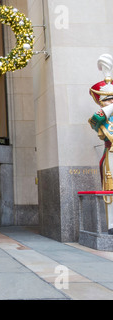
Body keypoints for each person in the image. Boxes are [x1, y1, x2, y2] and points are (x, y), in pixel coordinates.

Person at [88, 54, 113, 235]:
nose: (110, 102)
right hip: (111, 155)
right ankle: (111, 224)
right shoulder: (101, 115)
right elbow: (95, 120)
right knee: (109, 190)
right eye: (107, 99)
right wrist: (108, 108)